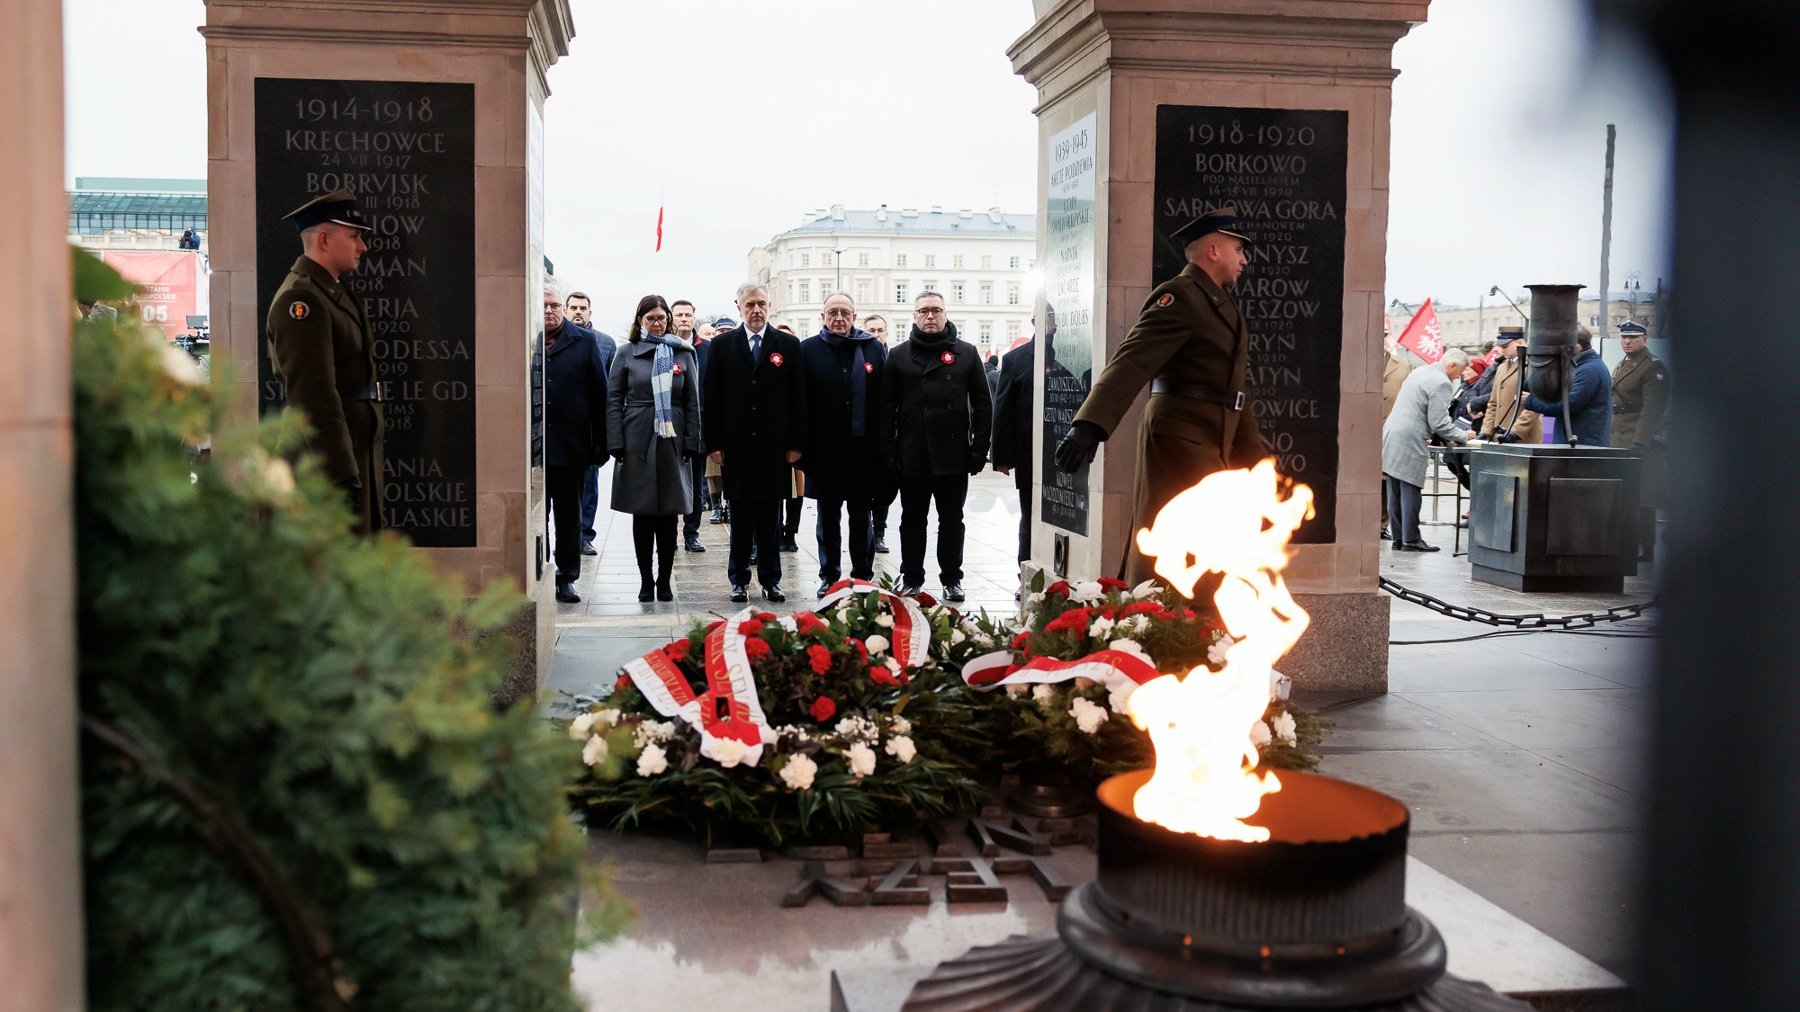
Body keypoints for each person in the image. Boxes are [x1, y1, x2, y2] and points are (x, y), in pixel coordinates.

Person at [1052, 206, 1267, 583]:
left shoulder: (1220, 301)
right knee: (1169, 541)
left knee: (1207, 543)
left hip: (1212, 437)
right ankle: (1148, 618)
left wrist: (1256, 461)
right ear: (1213, 250)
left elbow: (1232, 391)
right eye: (1239, 249)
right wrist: (1089, 426)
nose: (1244, 259)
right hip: (1178, 440)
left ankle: (1190, 626)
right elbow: (1132, 360)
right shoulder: (1180, 297)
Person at [265, 188, 384, 535]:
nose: (362, 246)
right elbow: (313, 396)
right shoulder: (301, 299)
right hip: (323, 465)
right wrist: (341, 473)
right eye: (354, 236)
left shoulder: (329, 291)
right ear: (324, 240)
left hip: (350, 452)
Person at [879, 290, 992, 601]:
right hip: (912, 454)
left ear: (945, 314)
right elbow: (886, 407)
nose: (930, 316)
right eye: (924, 311)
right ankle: (912, 577)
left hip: (953, 456)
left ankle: (952, 578)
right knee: (912, 520)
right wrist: (889, 452)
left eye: (936, 311)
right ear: (914, 316)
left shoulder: (966, 353)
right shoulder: (898, 355)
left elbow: (983, 404)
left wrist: (979, 449)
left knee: (952, 521)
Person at [704, 284, 805, 603]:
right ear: (739, 307)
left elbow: (798, 397)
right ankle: (739, 580)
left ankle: (771, 580)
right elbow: (712, 397)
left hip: (774, 447)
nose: (756, 310)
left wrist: (795, 443)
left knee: (770, 517)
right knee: (740, 515)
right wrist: (714, 443)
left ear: (770, 305)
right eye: (750, 304)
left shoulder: (787, 344)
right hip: (735, 447)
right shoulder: (722, 345)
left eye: (761, 303)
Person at [608, 295, 702, 602]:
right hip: (637, 435)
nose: (657, 323)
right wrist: (616, 442)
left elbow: (692, 402)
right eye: (651, 319)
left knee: (669, 514)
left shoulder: (683, 354)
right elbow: (613, 399)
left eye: (661, 318)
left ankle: (664, 580)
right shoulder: (627, 353)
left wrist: (692, 441)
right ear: (640, 321)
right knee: (643, 512)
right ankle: (645, 580)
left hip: (672, 438)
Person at [799, 292, 887, 597]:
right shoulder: (808, 350)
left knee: (862, 517)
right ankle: (829, 575)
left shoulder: (873, 349)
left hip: (863, 451)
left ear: (854, 316)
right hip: (825, 451)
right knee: (828, 518)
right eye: (832, 312)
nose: (839, 317)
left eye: (845, 312)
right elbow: (801, 402)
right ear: (822, 316)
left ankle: (862, 574)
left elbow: (884, 401)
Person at [537, 283, 612, 602]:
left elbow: (600, 394)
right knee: (537, 516)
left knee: (568, 517)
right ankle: (536, 569)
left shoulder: (584, 341)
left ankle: (566, 577)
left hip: (572, 446)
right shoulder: (528, 338)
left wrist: (601, 443)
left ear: (563, 309)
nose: (550, 310)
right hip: (536, 448)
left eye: (554, 305)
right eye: (544, 306)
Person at [1381, 350, 1474, 552]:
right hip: (1410, 438)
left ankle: (1399, 539)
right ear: (1452, 366)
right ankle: (1412, 540)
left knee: (1395, 489)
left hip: (1392, 433)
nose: (1459, 376)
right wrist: (1463, 435)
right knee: (1411, 489)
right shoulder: (1441, 383)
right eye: (1460, 371)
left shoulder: (1420, 372)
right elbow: (1439, 422)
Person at [1610, 320, 1669, 561]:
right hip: (1620, 436)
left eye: (1633, 337)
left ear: (1644, 338)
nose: (1627, 341)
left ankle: (1647, 549)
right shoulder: (1622, 364)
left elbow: (1653, 409)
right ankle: (1628, 545)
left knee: (1644, 498)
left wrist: (1640, 442)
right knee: (1626, 495)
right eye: (1624, 337)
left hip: (1640, 441)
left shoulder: (1653, 367)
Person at [566, 290, 618, 557]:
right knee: (564, 487)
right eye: (573, 307)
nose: (578, 312)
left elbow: (610, 389)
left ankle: (585, 535)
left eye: (582, 308)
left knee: (589, 484)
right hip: (563, 426)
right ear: (566, 310)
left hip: (589, 427)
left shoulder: (606, 343)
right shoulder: (551, 340)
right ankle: (566, 537)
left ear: (590, 312)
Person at [991, 309, 1044, 568]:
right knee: (1030, 515)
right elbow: (1003, 408)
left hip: (1062, 452)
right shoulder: (1016, 359)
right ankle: (1025, 573)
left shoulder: (1076, 353)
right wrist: (1002, 455)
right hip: (1028, 452)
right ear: (1034, 321)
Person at [1524, 328, 1613, 447]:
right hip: (1575, 441)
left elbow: (1569, 404)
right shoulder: (1579, 366)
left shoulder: (1589, 370)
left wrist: (1530, 401)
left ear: (1576, 346)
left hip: (1583, 444)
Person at [670, 298, 710, 553]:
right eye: (679, 314)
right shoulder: (666, 347)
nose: (684, 318)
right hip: (672, 425)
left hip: (701, 427)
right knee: (673, 481)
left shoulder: (707, 349)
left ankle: (692, 533)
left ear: (694, 317)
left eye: (688, 314)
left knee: (696, 483)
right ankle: (669, 532)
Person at [862, 313, 898, 553]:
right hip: (866, 434)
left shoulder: (895, 358)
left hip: (891, 434)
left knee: (886, 487)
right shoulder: (861, 356)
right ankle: (868, 531)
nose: (876, 335)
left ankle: (880, 531)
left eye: (880, 330)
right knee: (865, 488)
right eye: (871, 330)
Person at [1478, 326, 1541, 444]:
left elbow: (1535, 406)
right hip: (1500, 436)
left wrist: (1515, 432)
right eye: (1500, 347)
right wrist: (1486, 431)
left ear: (1521, 342)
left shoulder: (1533, 366)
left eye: (1505, 346)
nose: (1501, 350)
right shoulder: (1501, 367)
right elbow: (1494, 402)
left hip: (1523, 438)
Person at [1379, 337, 1412, 539]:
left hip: (1391, 427)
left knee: (1386, 477)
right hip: (1361, 426)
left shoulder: (1403, 366)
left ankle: (1382, 524)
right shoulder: (1356, 359)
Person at [704, 315, 735, 526]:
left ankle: (731, 505)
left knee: (733, 470)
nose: (723, 334)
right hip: (715, 418)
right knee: (713, 469)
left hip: (735, 421)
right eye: (720, 331)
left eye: (727, 331)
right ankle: (716, 506)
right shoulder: (708, 351)